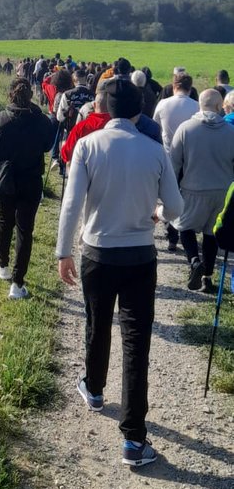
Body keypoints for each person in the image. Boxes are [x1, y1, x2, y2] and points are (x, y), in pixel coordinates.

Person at [56, 77, 183, 467]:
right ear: (138, 110)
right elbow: (176, 209)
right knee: (136, 344)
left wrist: (63, 252)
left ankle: (93, 389)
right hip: (139, 257)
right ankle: (133, 439)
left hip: (96, 252)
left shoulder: (87, 146)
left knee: (96, 323)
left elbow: (71, 203)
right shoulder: (154, 150)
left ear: (105, 109)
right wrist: (157, 213)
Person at [0, 78, 55, 300]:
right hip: (31, 182)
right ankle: (18, 284)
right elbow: (48, 145)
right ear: (30, 96)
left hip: (4, 181)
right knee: (25, 230)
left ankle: (2, 265)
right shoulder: (40, 121)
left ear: (10, 95)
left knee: (4, 221)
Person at [170, 89, 234, 293]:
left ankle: (194, 260)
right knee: (211, 234)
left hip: (193, 188)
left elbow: (174, 163)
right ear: (219, 106)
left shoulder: (185, 129)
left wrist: (171, 189)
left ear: (199, 105)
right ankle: (207, 276)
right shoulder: (231, 132)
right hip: (222, 191)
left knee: (184, 226)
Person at [152, 72, 197, 251]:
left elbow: (155, 127)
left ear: (174, 85)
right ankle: (183, 228)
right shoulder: (196, 106)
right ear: (190, 87)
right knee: (184, 195)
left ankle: (171, 234)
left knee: (167, 195)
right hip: (189, 159)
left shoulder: (163, 104)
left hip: (168, 156)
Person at [61, 87, 110, 165]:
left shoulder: (81, 127)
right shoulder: (117, 126)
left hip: (85, 171)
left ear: (94, 105)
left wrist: (63, 144)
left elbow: (66, 155)